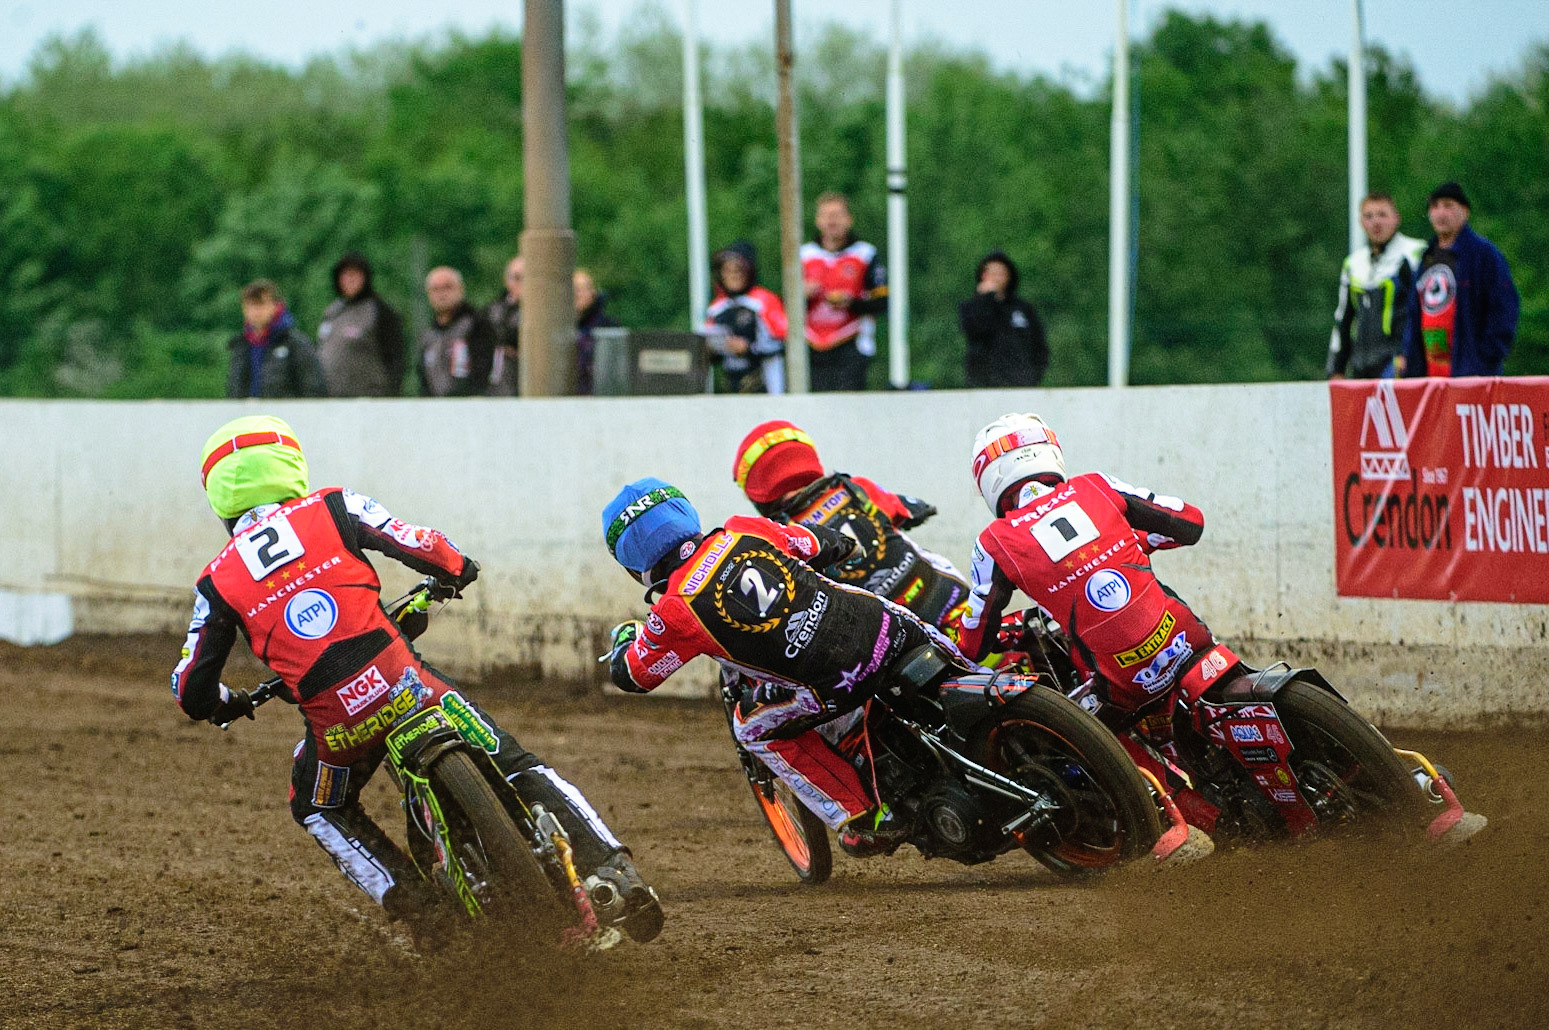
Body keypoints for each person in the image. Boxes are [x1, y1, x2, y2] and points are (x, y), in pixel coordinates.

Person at [172, 415, 662, 945]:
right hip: (407, 683)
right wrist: (455, 568)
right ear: (291, 467)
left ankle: (424, 913)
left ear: (220, 497)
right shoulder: (333, 506)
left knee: (317, 805)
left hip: (340, 728)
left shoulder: (215, 581)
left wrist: (226, 702)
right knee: (516, 764)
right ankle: (615, 871)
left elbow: (190, 688)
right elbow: (419, 542)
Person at [600, 478, 974, 856]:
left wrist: (624, 639)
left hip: (838, 684)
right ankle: (988, 686)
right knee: (957, 662)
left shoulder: (674, 611)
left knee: (750, 728)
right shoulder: (742, 528)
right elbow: (820, 542)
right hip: (888, 626)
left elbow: (634, 676)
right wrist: (845, 547)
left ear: (634, 564)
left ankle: (867, 815)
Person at [953, 413, 1216, 721]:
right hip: (1187, 638)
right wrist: (1129, 542)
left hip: (1120, 684)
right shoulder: (1095, 485)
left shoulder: (993, 542)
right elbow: (1191, 523)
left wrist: (959, 649)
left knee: (1059, 749)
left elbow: (975, 642)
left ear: (989, 476)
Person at [731, 419, 969, 630]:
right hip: (950, 597)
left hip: (896, 636)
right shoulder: (855, 487)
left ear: (757, 487)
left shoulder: (784, 535)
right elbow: (914, 511)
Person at [1401, 181, 1520, 378]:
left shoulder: (1483, 254)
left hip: (1471, 371)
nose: (1440, 213)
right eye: (1435, 206)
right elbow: (1413, 315)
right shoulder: (1426, 258)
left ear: (1465, 212)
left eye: (1448, 206)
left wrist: (1487, 357)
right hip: (1429, 375)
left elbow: (1505, 306)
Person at [1326, 194, 1424, 381]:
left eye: (1382, 215)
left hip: (1400, 365)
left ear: (1396, 218)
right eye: (1369, 216)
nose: (1376, 222)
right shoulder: (1354, 264)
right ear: (1361, 222)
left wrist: (1408, 353)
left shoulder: (1415, 254)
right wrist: (1336, 368)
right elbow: (1343, 319)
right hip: (1362, 365)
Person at [800, 192, 886, 392]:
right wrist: (802, 296)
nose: (832, 221)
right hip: (811, 345)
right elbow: (785, 306)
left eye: (837, 215)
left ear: (849, 219)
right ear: (817, 221)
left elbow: (882, 300)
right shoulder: (804, 255)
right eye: (826, 215)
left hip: (852, 342)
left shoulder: (865, 254)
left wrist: (852, 302)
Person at [316, 252, 406, 397]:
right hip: (332, 399)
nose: (350, 280)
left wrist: (391, 394)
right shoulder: (332, 312)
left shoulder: (380, 311)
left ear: (365, 278)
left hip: (369, 399)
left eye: (355, 274)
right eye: (346, 275)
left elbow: (395, 358)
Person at [704, 242, 787, 394]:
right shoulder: (716, 308)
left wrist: (748, 348)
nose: (733, 275)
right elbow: (707, 345)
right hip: (732, 382)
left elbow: (782, 342)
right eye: (727, 270)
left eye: (738, 270)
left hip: (766, 383)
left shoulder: (765, 301)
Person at [958, 250, 1049, 388]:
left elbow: (1039, 346)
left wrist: (1033, 376)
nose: (996, 278)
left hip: (1020, 385)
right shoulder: (971, 307)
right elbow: (976, 329)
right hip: (983, 386)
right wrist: (986, 299)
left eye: (1000, 273)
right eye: (991, 273)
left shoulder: (1023, 309)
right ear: (983, 275)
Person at [225, 280, 326, 399]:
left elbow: (313, 389)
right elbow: (234, 390)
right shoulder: (240, 346)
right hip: (249, 415)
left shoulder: (295, 343)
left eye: (261, 304)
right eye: (250, 305)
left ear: (276, 305)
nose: (255, 311)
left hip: (286, 415)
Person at [419, 266, 496, 397]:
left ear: (460, 289)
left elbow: (484, 371)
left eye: (447, 287)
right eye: (435, 289)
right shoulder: (428, 336)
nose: (441, 294)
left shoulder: (476, 326)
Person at [574, 267, 619, 396]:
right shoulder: (558, 327)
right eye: (573, 290)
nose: (577, 294)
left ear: (592, 293)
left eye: (581, 289)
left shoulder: (607, 326)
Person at [485, 255, 522, 396]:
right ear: (507, 280)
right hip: (498, 384)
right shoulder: (493, 309)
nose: (523, 283)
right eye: (518, 277)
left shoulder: (543, 310)